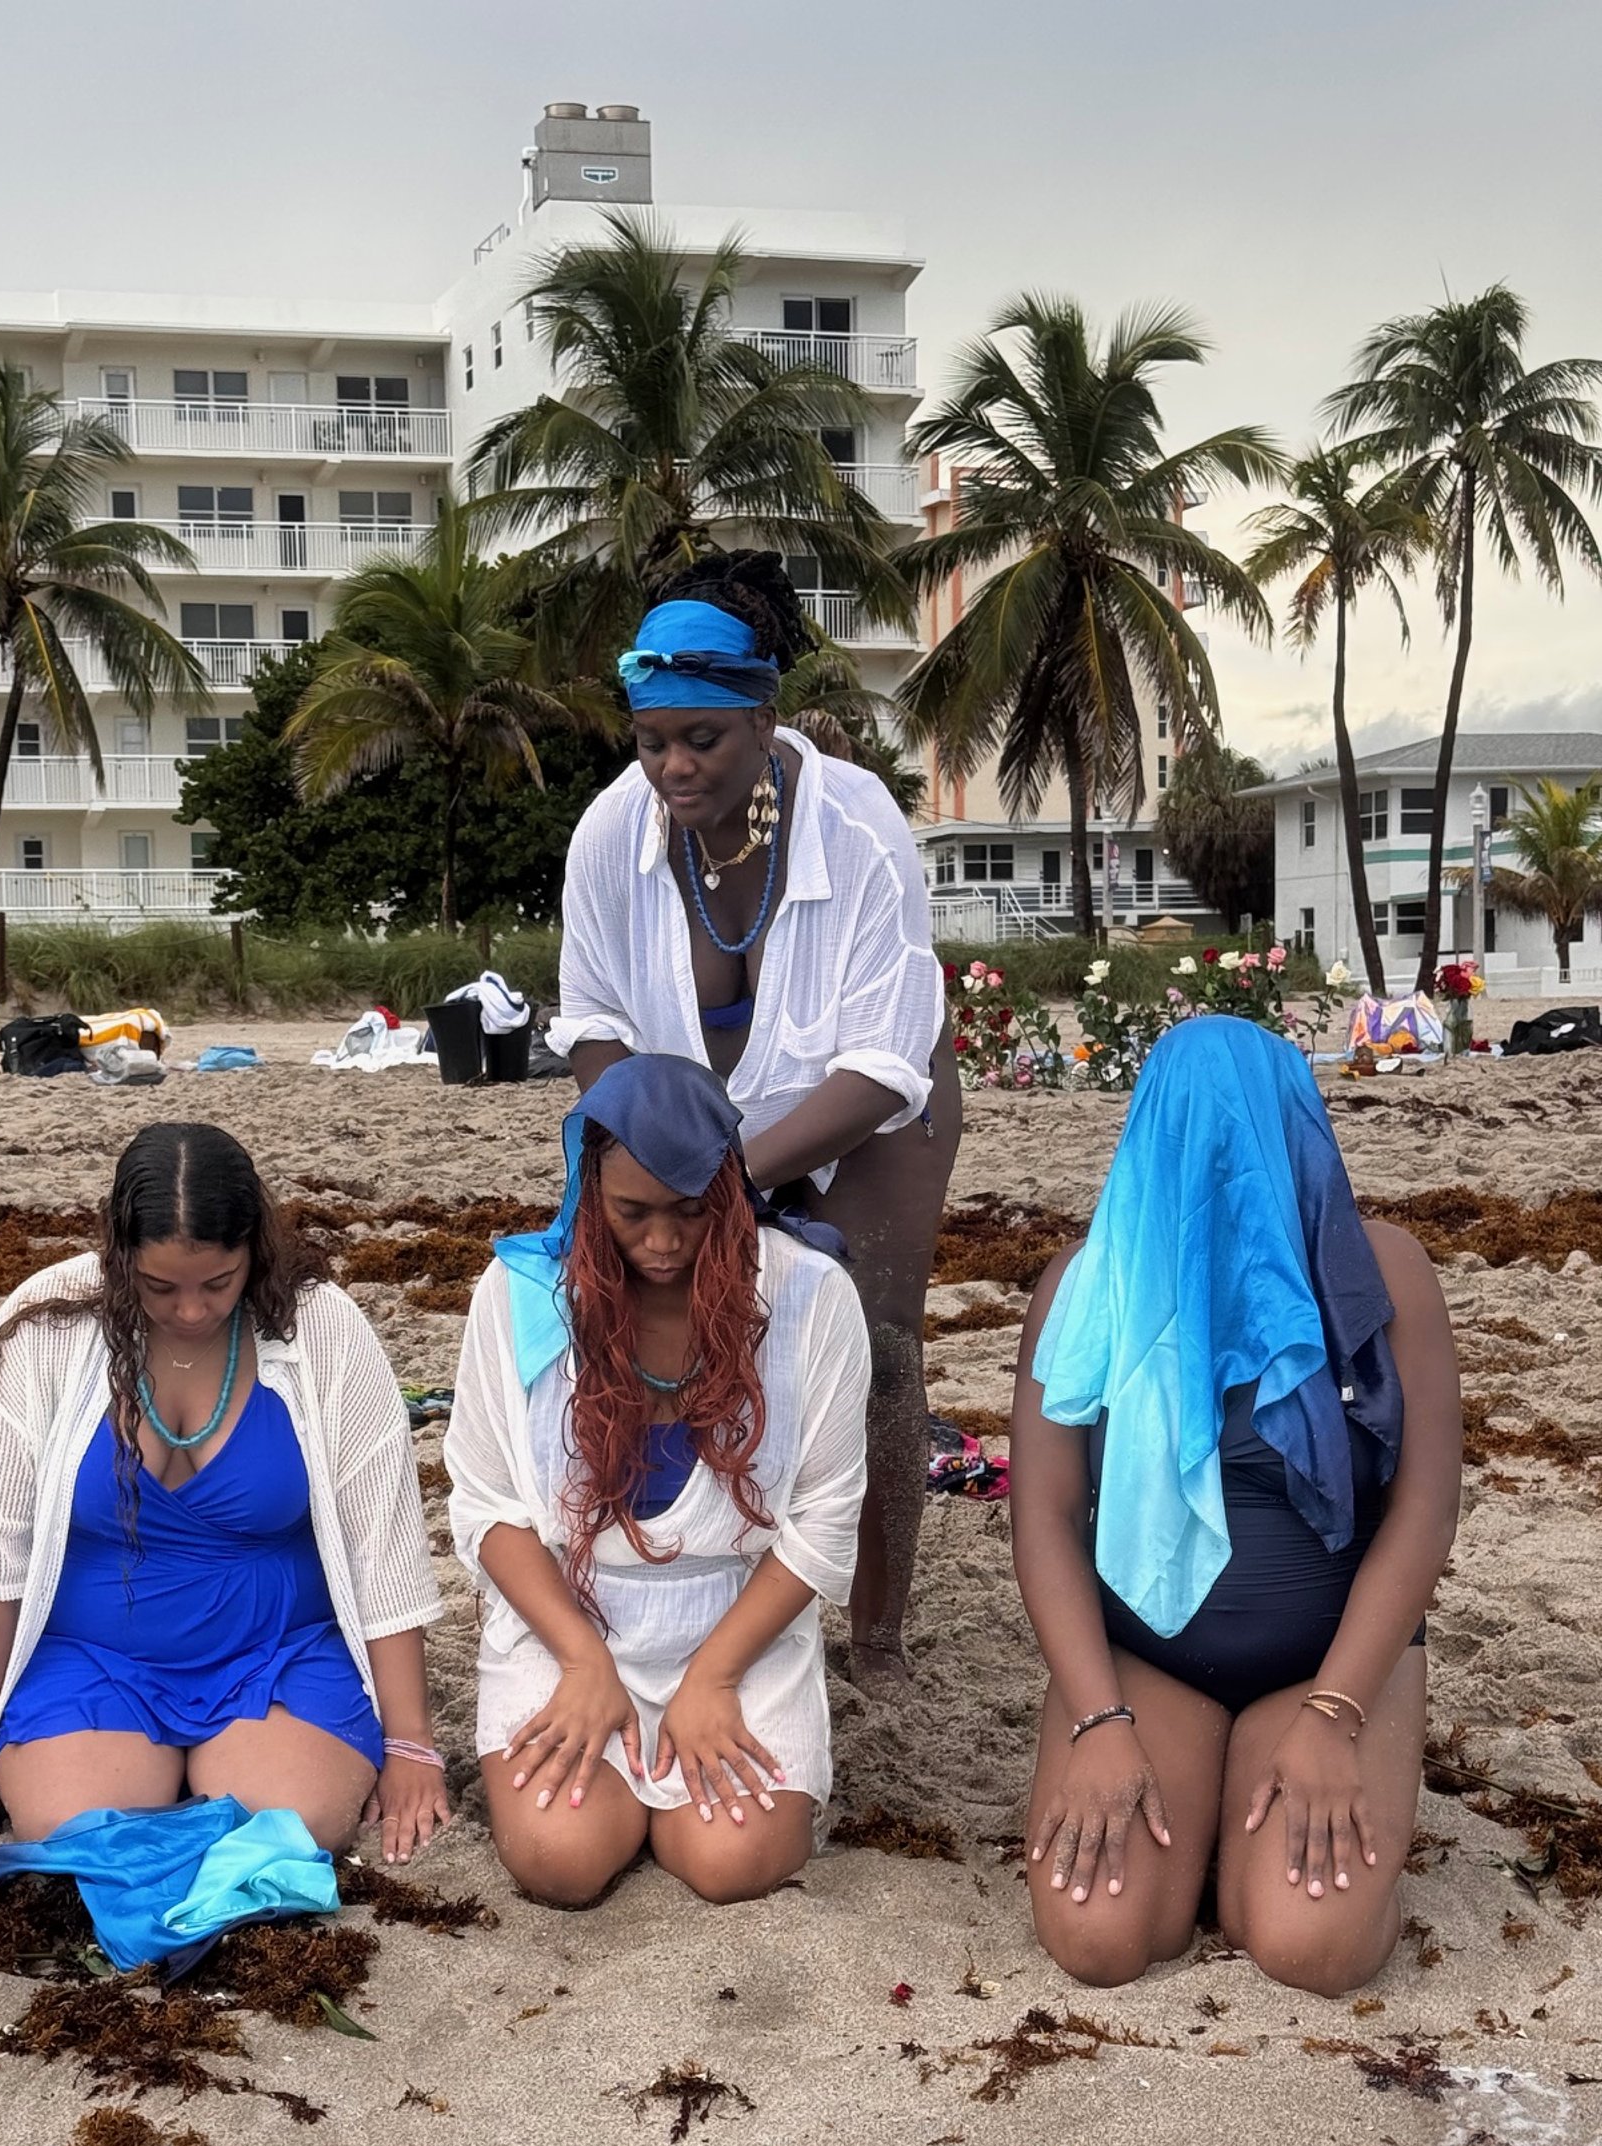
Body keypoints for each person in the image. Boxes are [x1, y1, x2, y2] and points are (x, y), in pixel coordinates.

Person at [550, 549, 958, 1691]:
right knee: (643, 1295)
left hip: (870, 1102)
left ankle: (875, 1638)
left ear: (764, 717)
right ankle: (674, 1569)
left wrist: (724, 1177)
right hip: (688, 1117)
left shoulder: (858, 828)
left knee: (869, 1339)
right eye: (650, 741)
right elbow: (590, 1017)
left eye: (702, 740)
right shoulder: (608, 836)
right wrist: (648, 1153)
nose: (672, 766)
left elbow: (884, 1060)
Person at [1009, 1017, 1461, 1997]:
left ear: (1294, 1131)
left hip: (1327, 1664)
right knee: (1099, 1940)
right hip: (1144, 1664)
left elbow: (1423, 1513)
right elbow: (1042, 1520)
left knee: (1309, 1949)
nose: (1222, 1166)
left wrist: (1337, 1715)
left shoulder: (1385, 1276)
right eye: (1193, 1139)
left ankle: (1259, 1814)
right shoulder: (1087, 1286)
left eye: (1243, 1139)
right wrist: (1098, 1721)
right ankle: (1204, 1810)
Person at [0, 1122, 445, 1908]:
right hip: (92, 1656)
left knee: (298, 1822)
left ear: (255, 1251)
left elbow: (382, 1542)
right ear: (118, 1258)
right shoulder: (45, 1325)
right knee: (69, 1828)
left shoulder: (321, 1327)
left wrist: (410, 1740)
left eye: (218, 1283)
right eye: (159, 1287)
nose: (190, 1311)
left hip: (277, 1654)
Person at [446, 1054, 870, 1907]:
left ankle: (691, 1761)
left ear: (731, 1188)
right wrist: (579, 1657)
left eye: (691, 1212)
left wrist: (713, 1677)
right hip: (569, 1617)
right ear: (586, 1190)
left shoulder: (809, 1295)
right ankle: (609, 1765)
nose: (665, 1243)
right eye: (631, 1213)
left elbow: (824, 1522)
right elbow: (487, 1505)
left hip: (735, 1627)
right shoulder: (522, 1293)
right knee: (559, 1858)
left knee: (733, 1862)